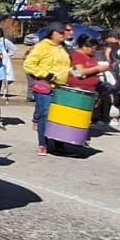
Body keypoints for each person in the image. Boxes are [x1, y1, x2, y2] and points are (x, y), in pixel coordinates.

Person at [21, 22, 72, 156]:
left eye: (64, 32)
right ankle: (43, 144)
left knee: (60, 117)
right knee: (45, 114)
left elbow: (67, 66)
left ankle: (58, 143)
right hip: (46, 86)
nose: (63, 35)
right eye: (60, 32)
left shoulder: (64, 48)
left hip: (62, 87)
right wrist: (44, 74)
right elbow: (28, 64)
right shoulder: (42, 46)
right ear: (52, 33)